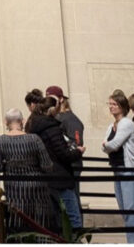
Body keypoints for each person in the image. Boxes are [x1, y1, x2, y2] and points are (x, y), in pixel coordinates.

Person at [0, 108, 55, 237]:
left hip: (14, 190)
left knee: (17, 224)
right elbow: (47, 165)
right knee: (39, 225)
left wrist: (8, 165)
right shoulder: (34, 139)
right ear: (23, 121)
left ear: (6, 122)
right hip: (37, 190)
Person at [26, 97, 85, 231]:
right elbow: (63, 153)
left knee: (56, 217)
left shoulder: (34, 126)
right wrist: (78, 152)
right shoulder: (52, 128)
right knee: (73, 217)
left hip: (45, 177)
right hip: (59, 177)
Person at [102, 89, 134, 243]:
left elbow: (113, 144)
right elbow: (105, 145)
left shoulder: (126, 123)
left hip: (129, 170)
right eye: (110, 104)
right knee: (124, 208)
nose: (111, 107)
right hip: (117, 169)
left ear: (121, 106)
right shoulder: (112, 125)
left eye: (114, 104)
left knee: (131, 209)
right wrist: (107, 145)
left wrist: (107, 145)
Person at [46, 85, 84, 195]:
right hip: (60, 166)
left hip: (71, 165)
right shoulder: (56, 117)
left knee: (72, 200)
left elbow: (76, 143)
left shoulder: (70, 119)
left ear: (61, 99)